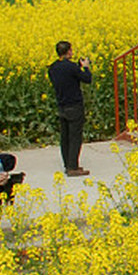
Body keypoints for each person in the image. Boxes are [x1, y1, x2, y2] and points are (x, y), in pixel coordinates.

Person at [46, 41, 91, 177]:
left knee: (65, 137)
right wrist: (86, 67)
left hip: (61, 105)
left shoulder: (52, 68)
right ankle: (73, 167)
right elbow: (87, 79)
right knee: (75, 137)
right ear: (69, 52)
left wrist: (77, 67)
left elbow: (65, 76)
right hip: (74, 105)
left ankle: (67, 164)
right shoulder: (72, 67)